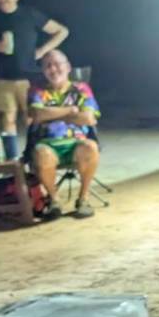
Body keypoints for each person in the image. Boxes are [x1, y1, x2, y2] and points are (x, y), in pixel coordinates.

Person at [0, 0, 69, 160]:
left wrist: (42, 51)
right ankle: (12, 162)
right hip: (1, 78)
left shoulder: (30, 14)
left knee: (33, 117)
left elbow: (62, 31)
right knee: (7, 119)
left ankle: (35, 157)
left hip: (30, 76)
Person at [27, 50, 100, 220]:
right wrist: (71, 110)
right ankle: (54, 201)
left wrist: (52, 114)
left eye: (57, 64)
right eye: (48, 66)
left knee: (90, 147)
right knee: (41, 153)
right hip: (47, 144)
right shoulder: (37, 90)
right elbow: (37, 115)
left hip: (77, 143)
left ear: (68, 67)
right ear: (43, 71)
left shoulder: (81, 89)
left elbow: (88, 118)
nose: (53, 69)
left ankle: (83, 199)